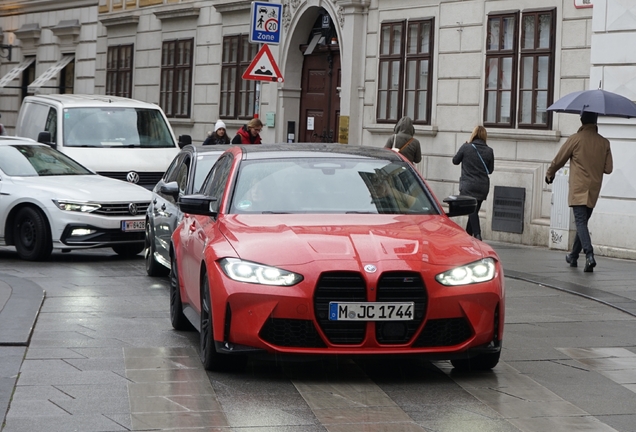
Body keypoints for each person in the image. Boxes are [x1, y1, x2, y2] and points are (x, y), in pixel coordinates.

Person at [545, 111, 613, 273]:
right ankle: (573, 256)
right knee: (582, 222)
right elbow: (608, 169)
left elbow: (559, 159)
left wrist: (550, 173)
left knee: (580, 222)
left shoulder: (575, 139)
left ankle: (589, 255)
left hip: (578, 188)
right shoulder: (604, 143)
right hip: (593, 189)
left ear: (582, 121)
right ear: (595, 121)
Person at [452, 125, 494, 241]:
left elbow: (455, 161)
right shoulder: (489, 151)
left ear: (473, 134)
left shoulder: (466, 147)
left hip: (468, 185)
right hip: (482, 187)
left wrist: (464, 147)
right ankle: (467, 236)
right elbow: (490, 170)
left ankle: (477, 235)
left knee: (472, 211)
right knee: (473, 212)